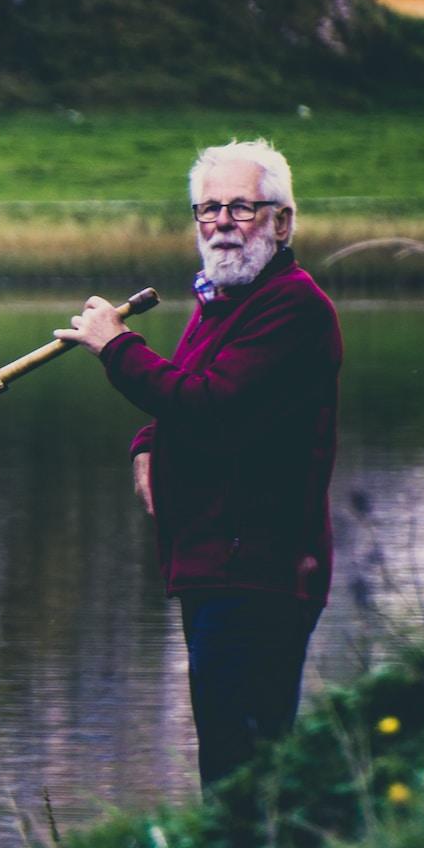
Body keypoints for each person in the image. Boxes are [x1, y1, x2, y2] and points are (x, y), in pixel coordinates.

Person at [53, 140, 341, 789]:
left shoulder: (293, 306)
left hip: (261, 573)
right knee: (227, 758)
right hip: (214, 566)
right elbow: (195, 396)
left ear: (282, 221)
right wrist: (148, 444)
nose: (220, 223)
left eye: (241, 208)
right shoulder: (224, 303)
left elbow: (214, 404)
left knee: (245, 764)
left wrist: (117, 347)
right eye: (207, 209)